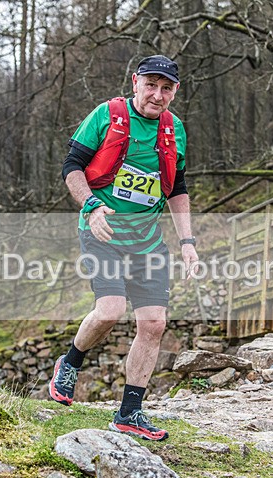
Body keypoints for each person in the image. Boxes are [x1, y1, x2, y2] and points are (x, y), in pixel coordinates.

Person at [49, 55, 198, 441]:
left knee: (154, 324)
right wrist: (91, 204)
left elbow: (177, 189)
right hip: (103, 232)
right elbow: (72, 167)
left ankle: (129, 412)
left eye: (166, 88)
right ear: (135, 83)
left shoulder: (174, 129)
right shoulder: (107, 115)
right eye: (151, 85)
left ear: (175, 92)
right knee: (111, 311)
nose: (157, 94)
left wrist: (187, 242)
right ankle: (70, 362)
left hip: (148, 241)